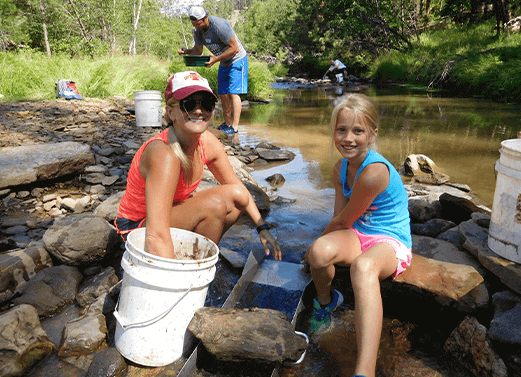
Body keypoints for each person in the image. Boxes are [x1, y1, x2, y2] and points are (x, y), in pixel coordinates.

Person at [115, 71, 281, 261]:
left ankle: (197, 256)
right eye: (189, 104)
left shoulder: (207, 143)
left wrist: (262, 228)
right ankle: (194, 266)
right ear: (171, 112)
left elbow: (239, 188)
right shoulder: (164, 153)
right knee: (214, 206)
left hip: (171, 212)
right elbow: (156, 234)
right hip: (137, 227)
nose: (198, 111)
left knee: (238, 196)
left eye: (206, 104)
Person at [303, 94, 412, 377]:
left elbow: (342, 219)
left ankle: (364, 372)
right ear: (334, 132)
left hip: (389, 239)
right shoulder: (341, 168)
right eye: (342, 130)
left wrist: (318, 240)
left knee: (364, 267)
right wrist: (316, 248)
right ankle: (327, 303)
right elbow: (340, 221)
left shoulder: (374, 172)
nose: (348, 138)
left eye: (358, 131)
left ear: (373, 134)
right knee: (319, 252)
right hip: (358, 232)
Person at [178, 6, 247, 135]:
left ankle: (235, 128)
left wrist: (215, 59)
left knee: (233, 93)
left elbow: (234, 48)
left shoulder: (220, 26)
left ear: (205, 18)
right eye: (194, 24)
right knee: (222, 93)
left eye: (198, 23)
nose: (196, 27)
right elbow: (198, 51)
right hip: (223, 60)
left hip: (237, 59)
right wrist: (186, 51)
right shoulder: (197, 31)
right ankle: (227, 124)